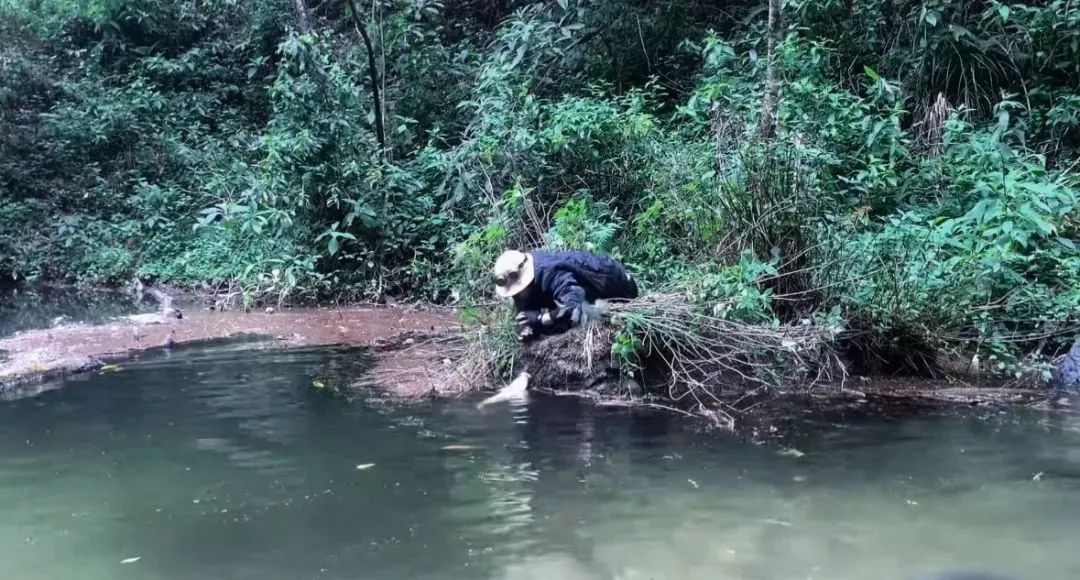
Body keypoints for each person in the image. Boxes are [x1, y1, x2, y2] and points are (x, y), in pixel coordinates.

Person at [493, 249, 638, 340]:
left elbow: (573, 308)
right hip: (586, 290)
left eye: (519, 290)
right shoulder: (530, 273)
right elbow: (525, 307)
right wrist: (526, 326)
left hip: (622, 287)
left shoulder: (550, 273)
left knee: (574, 317)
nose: (518, 295)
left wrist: (538, 319)